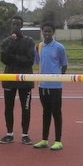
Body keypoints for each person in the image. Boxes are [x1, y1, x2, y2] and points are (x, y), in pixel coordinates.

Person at [0, 15, 35, 145]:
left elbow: (29, 60)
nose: (15, 26)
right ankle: (9, 134)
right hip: (9, 78)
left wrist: (14, 57)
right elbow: (4, 59)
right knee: (9, 108)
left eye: (17, 24)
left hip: (25, 80)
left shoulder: (29, 41)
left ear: (21, 26)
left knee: (25, 108)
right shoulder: (6, 42)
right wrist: (12, 47)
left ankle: (25, 134)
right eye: (13, 24)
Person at [33, 22, 68, 151]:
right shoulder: (38, 47)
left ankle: (58, 140)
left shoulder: (59, 47)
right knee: (45, 112)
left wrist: (57, 77)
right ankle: (44, 139)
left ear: (53, 32)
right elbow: (38, 62)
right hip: (42, 85)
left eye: (49, 31)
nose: (47, 34)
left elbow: (64, 65)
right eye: (45, 31)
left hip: (55, 86)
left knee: (56, 112)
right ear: (42, 32)